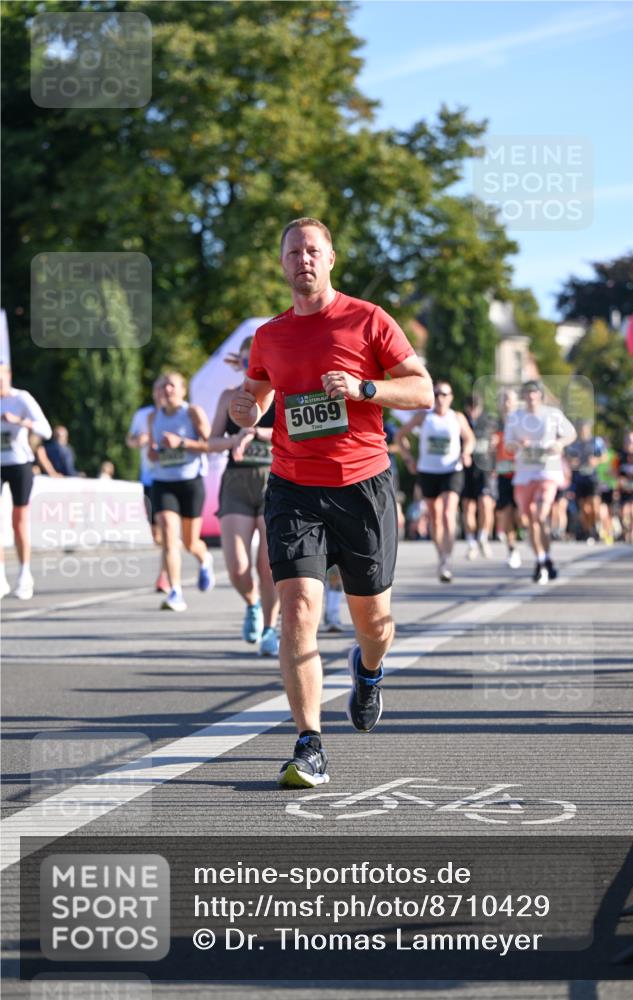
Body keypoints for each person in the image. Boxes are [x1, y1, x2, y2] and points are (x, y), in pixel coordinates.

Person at [230, 217, 433, 788]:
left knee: (375, 622)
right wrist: (246, 411)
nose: (303, 260)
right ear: (282, 263)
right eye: (293, 251)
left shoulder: (368, 319)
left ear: (331, 258)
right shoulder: (269, 336)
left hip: (363, 485)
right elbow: (256, 396)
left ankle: (368, 672)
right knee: (297, 612)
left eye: (312, 250)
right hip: (293, 487)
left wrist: (366, 388)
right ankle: (309, 742)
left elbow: (421, 388)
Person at [208, 338, 280, 657]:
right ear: (240, 363)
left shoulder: (281, 396)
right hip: (237, 481)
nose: (253, 364)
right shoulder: (229, 398)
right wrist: (236, 437)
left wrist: (257, 432)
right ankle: (251, 604)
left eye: (258, 359)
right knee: (238, 567)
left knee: (268, 567)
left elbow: (293, 435)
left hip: (273, 481)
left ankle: (269, 628)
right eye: (247, 359)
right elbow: (211, 442)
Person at [148, 371, 215, 611]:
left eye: (171, 385)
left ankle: (204, 558)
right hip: (163, 482)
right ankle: (175, 591)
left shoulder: (192, 413)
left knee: (190, 542)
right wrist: (154, 452)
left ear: (182, 390)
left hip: (190, 482)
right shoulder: (153, 417)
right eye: (163, 385)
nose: (167, 390)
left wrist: (181, 443)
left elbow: (210, 444)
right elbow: (151, 452)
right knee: (167, 535)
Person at [398, 380, 474, 582]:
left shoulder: (456, 417)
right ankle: (441, 555)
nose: (440, 398)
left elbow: (469, 438)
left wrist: (466, 453)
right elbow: (400, 436)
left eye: (444, 394)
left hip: (452, 470)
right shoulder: (424, 417)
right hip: (428, 471)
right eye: (437, 394)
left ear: (451, 398)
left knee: (449, 513)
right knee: (435, 516)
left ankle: (447, 560)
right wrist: (408, 459)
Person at [504, 380, 576, 584]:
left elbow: (571, 434)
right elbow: (507, 446)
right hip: (524, 475)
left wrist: (559, 443)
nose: (531, 396)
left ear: (540, 395)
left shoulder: (552, 414)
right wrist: (518, 444)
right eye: (527, 392)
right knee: (530, 521)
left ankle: (541, 564)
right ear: (523, 396)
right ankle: (543, 559)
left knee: (539, 514)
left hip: (547, 472)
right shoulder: (515, 417)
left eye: (534, 392)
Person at [0, 364, 52, 599]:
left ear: (8, 376)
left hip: (19, 463)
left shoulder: (22, 399)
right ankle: (0, 577)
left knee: (18, 521)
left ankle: (24, 574)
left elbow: (46, 430)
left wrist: (21, 422)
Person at [126, 377, 169, 593]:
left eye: (167, 388)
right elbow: (130, 440)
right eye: (158, 388)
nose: (163, 392)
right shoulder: (143, 415)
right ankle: (169, 564)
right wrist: (139, 441)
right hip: (149, 477)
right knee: (157, 534)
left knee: (167, 528)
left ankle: (164, 575)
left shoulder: (184, 414)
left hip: (174, 479)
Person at [462, 393, 496, 559]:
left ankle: (483, 537)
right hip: (466, 470)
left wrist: (496, 466)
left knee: (486, 504)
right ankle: (471, 543)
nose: (473, 411)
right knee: (468, 507)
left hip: (485, 469)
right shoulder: (461, 422)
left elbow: (495, 446)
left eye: (476, 407)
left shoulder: (489, 422)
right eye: (471, 407)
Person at [493, 387, 522, 568]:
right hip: (504, 473)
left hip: (522, 473)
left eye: (509, 399)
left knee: (522, 515)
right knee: (506, 512)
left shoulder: (523, 422)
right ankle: (512, 549)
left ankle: (525, 533)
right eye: (503, 399)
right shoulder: (495, 424)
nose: (506, 402)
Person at [566, 420, 605, 543]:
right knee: (585, 509)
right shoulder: (574, 444)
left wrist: (596, 461)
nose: (583, 432)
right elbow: (568, 459)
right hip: (579, 479)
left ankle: (595, 526)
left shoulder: (596, 441)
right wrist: (572, 463)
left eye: (585, 429)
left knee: (594, 507)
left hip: (592, 479)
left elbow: (604, 456)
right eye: (581, 429)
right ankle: (589, 531)